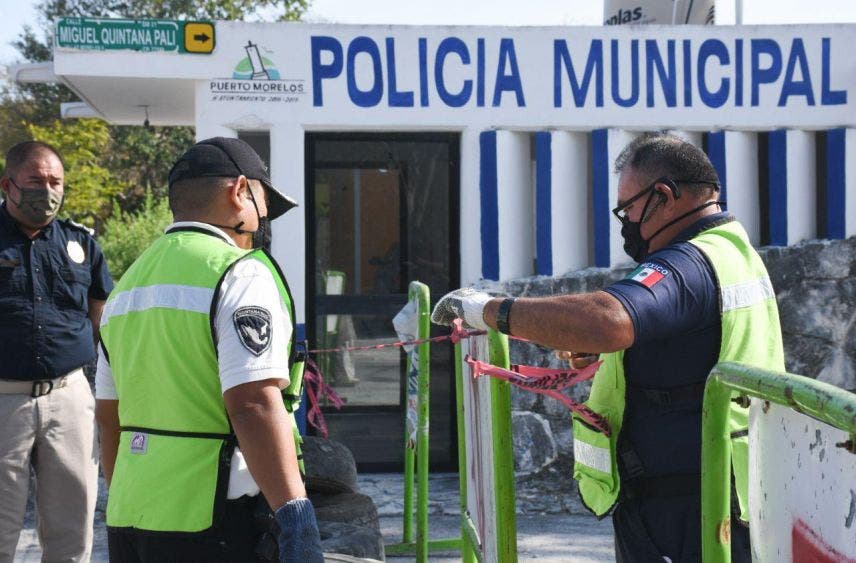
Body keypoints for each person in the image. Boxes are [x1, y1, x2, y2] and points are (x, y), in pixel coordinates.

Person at [432, 132, 785, 562]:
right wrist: (620, 356)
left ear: (664, 196)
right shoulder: (732, 252)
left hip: (684, 505)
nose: (627, 222)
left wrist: (487, 310)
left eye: (629, 208)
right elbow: (700, 338)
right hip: (720, 489)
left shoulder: (686, 263)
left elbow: (609, 318)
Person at [94, 137, 323, 562]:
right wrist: (295, 513)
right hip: (213, 520)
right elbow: (253, 403)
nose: (264, 217)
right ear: (240, 191)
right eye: (263, 202)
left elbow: (110, 419)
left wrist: (132, 499)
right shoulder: (240, 274)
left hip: (130, 517)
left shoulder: (128, 286)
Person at [0, 141, 112, 562]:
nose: (46, 191)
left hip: (69, 398)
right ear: (8, 184)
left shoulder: (81, 242)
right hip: (3, 400)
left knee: (73, 526)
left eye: (55, 182)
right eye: (35, 181)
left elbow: (104, 317)